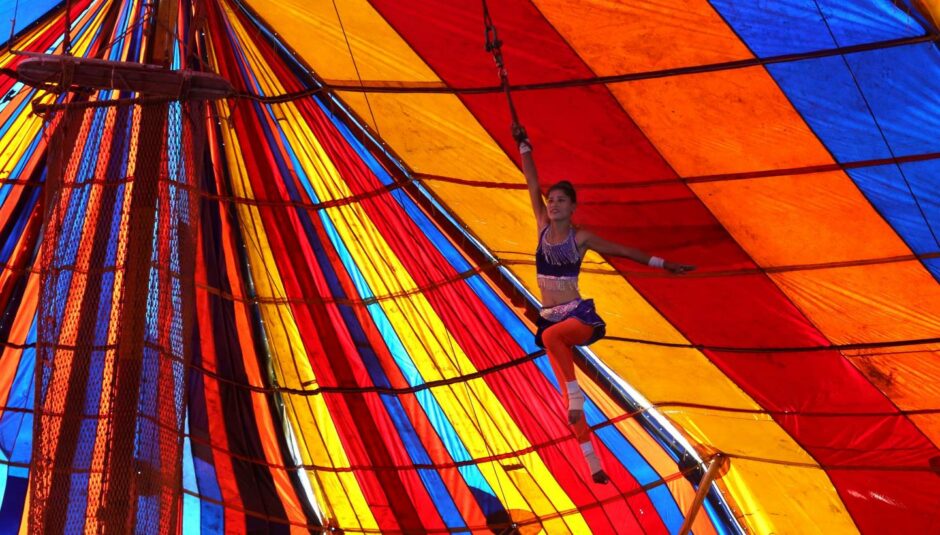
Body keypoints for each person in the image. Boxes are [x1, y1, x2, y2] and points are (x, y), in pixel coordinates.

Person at [513, 124, 694, 484]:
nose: (552, 204)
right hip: (551, 321)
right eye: (551, 200)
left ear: (573, 207)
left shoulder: (582, 239)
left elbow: (625, 251)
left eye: (561, 200)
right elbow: (532, 183)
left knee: (556, 352)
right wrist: (524, 147)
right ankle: (592, 461)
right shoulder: (541, 227)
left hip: (577, 318)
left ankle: (575, 395)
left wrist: (662, 263)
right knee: (567, 399)